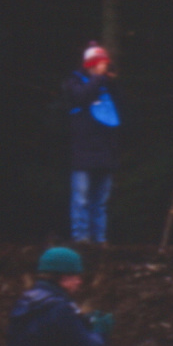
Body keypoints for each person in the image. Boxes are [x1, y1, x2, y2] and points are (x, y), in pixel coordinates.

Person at [62, 43, 121, 244]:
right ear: (91, 64)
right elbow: (81, 97)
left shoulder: (108, 86)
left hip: (106, 153)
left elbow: (123, 109)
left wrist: (109, 80)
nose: (104, 67)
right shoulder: (74, 82)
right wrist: (98, 78)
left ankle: (100, 240)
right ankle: (81, 239)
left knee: (101, 202)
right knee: (81, 199)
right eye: (101, 63)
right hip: (83, 152)